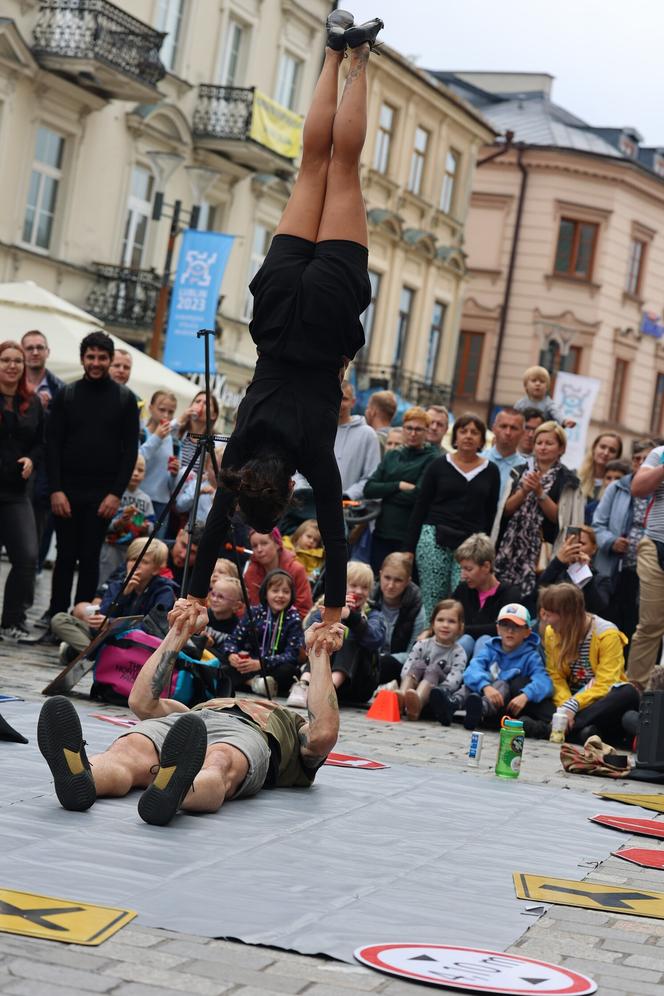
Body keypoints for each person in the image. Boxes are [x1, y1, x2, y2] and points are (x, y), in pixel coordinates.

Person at [172, 12, 384, 654]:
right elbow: (211, 533)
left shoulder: (314, 457)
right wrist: (192, 587)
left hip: (324, 320)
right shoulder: (235, 460)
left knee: (344, 167)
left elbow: (336, 534)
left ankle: (360, 57)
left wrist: (328, 607)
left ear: (285, 490)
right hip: (278, 308)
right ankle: (330, 51)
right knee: (312, 165)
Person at [37, 610, 343, 825]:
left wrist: (319, 655)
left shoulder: (291, 725)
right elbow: (141, 700)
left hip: (251, 734)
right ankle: (82, 776)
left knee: (220, 760)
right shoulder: (196, 710)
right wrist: (178, 633)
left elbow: (323, 734)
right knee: (130, 749)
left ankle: (176, 789)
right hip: (196, 722)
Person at [45, 331, 139, 618]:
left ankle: (81, 617)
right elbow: (52, 446)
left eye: (101, 357)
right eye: (90, 357)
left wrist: (115, 493)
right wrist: (56, 490)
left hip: (103, 494)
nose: (96, 363)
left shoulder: (125, 400)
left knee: (89, 557)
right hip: (67, 491)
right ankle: (56, 614)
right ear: (83, 359)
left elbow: (129, 453)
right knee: (64, 556)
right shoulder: (66, 395)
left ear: (110, 360)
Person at [404, 413, 500, 616]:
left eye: (474, 432)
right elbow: (420, 507)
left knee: (462, 600)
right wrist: (408, 549)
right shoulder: (438, 465)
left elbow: (491, 515)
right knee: (433, 602)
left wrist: (488, 552)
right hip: (434, 539)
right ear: (455, 437)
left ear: (482, 440)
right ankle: (427, 643)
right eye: (463, 431)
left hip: (471, 546)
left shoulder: (491, 471)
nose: (468, 436)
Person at [495, 421, 583, 606]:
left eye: (549, 443)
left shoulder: (568, 480)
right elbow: (506, 511)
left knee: (535, 602)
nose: (542, 448)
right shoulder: (519, 472)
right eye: (539, 442)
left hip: (544, 552)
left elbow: (560, 519)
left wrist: (540, 492)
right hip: (511, 548)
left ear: (561, 448)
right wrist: (524, 491)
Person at [50, 537, 178, 664]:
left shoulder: (164, 591)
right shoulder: (117, 585)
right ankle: (99, 657)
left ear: (156, 569)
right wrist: (123, 594)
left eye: (143, 562)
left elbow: (153, 628)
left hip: (136, 642)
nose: (135, 565)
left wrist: (112, 623)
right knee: (60, 619)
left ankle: (90, 655)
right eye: (133, 559)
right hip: (108, 637)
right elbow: (103, 616)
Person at [540, 582, 638, 745]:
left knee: (627, 692)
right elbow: (555, 676)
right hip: (570, 699)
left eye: (550, 615)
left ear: (567, 615)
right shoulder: (552, 632)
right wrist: (565, 709)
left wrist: (573, 706)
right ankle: (580, 731)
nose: (546, 620)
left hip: (598, 702)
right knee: (532, 689)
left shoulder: (607, 634)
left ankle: (552, 728)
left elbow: (607, 682)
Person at [434, 603, 554, 736]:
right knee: (474, 682)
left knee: (501, 683)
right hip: (480, 695)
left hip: (502, 706)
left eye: (516, 627)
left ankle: (479, 710)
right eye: (505, 625)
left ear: (527, 632)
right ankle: (453, 704)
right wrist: (485, 686)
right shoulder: (490, 648)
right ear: (498, 629)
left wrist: (526, 695)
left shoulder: (531, 656)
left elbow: (544, 681)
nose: (510, 631)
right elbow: (472, 669)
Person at [0, 340, 44, 639]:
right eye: (6, 360)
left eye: (18, 360)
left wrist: (32, 459)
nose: (13, 365)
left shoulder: (34, 402)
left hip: (16, 493)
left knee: (28, 556)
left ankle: (13, 620)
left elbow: (42, 442)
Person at [593, 439, 654, 644]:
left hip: (648, 571)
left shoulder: (659, 491)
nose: (641, 463)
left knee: (638, 625)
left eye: (647, 458)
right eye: (637, 459)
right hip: (614, 569)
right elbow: (597, 525)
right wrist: (611, 541)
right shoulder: (617, 488)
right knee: (610, 623)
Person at [364, 406, 438, 573]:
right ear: (403, 429)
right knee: (377, 579)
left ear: (426, 431)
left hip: (408, 537)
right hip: (382, 532)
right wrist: (398, 485)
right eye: (409, 428)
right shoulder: (392, 455)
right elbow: (369, 489)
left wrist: (386, 493)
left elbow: (419, 497)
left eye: (418, 429)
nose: (413, 433)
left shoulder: (432, 458)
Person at [302, 560, 386, 705]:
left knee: (347, 639)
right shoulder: (325, 606)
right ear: (341, 587)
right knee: (320, 637)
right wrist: (334, 614)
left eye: (364, 587)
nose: (359, 591)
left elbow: (375, 639)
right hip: (322, 676)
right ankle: (304, 685)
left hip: (359, 683)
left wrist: (352, 618)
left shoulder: (373, 613)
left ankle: (329, 690)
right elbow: (309, 632)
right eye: (353, 585)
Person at [21, 329, 63, 586]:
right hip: (12, 468)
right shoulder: (9, 384)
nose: (35, 352)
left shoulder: (60, 390)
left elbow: (60, 435)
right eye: (30, 347)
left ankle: (31, 579)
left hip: (44, 473)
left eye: (40, 347)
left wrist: (49, 411)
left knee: (37, 533)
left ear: (47, 352)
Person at [222, 569, 305, 697]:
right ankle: (255, 684)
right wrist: (232, 655)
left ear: (292, 595)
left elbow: (292, 655)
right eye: (275, 591)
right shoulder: (254, 613)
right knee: (224, 666)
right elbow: (232, 640)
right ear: (265, 593)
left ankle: (254, 684)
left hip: (273, 667)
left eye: (286, 592)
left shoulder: (294, 619)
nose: (280, 595)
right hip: (249, 664)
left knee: (289, 672)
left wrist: (262, 664)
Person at [626, 441, 664, 687]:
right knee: (650, 624)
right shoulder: (659, 454)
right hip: (656, 545)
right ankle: (634, 694)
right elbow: (637, 487)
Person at [450, 533, 521, 660]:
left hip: (497, 659)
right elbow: (449, 617)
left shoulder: (510, 594)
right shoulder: (462, 590)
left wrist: (463, 629)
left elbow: (501, 628)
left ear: (486, 567)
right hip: (461, 652)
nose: (463, 575)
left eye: (468, 569)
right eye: (462, 569)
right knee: (466, 640)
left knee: (484, 640)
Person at [398, 599, 466, 721]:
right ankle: (402, 700)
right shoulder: (421, 645)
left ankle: (417, 703)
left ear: (460, 627)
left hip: (435, 699)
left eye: (451, 621)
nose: (445, 625)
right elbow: (407, 668)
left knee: (433, 668)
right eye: (440, 620)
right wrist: (416, 685)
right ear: (433, 623)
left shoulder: (458, 652)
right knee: (418, 664)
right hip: (411, 690)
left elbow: (454, 681)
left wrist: (433, 691)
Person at [98, 454, 155, 585]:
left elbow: (151, 523)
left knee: (125, 581)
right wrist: (118, 523)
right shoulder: (114, 494)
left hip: (133, 551)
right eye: (132, 469)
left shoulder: (145, 499)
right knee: (105, 581)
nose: (135, 474)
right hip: (111, 547)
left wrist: (147, 527)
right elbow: (104, 523)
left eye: (140, 470)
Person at [372, 552, 426, 687]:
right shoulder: (369, 598)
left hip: (398, 665)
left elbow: (413, 653)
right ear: (380, 574)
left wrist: (385, 659)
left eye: (398, 580)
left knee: (387, 664)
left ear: (408, 581)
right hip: (370, 662)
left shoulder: (416, 607)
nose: (390, 585)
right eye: (387, 578)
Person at [537, 526, 610, 616]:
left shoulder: (601, 579)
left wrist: (585, 572)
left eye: (581, 544)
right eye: (572, 543)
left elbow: (596, 607)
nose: (576, 548)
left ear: (594, 549)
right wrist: (558, 561)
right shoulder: (557, 571)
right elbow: (537, 595)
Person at [243, 528, 312, 619]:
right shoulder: (250, 573)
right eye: (254, 546)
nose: (259, 549)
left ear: (277, 544)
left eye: (264, 543)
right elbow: (252, 607)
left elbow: (304, 609)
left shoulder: (296, 570)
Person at [140, 390, 180, 536]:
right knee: (134, 542)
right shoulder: (142, 434)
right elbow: (138, 460)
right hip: (139, 499)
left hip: (162, 504)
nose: (166, 416)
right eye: (161, 410)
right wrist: (156, 437)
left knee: (155, 547)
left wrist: (175, 474)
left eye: (171, 412)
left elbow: (171, 484)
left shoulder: (175, 443)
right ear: (151, 408)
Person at [578, 432, 623, 525]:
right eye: (602, 447)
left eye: (612, 450)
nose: (606, 453)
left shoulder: (619, 485)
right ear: (594, 448)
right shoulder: (576, 478)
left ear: (617, 456)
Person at [175, 389, 220, 481]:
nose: (200, 405)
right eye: (197, 401)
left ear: (213, 415)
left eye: (206, 403)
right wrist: (181, 419)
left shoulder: (215, 442)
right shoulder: (178, 432)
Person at [485, 407, 526, 494]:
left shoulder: (526, 468)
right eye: (503, 426)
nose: (508, 432)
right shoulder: (478, 460)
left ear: (522, 433)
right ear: (494, 428)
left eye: (514, 428)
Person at [203, 575, 242, 659]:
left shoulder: (238, 627)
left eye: (221, 597)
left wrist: (210, 645)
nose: (214, 599)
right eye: (213, 594)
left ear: (236, 605)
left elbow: (229, 655)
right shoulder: (203, 615)